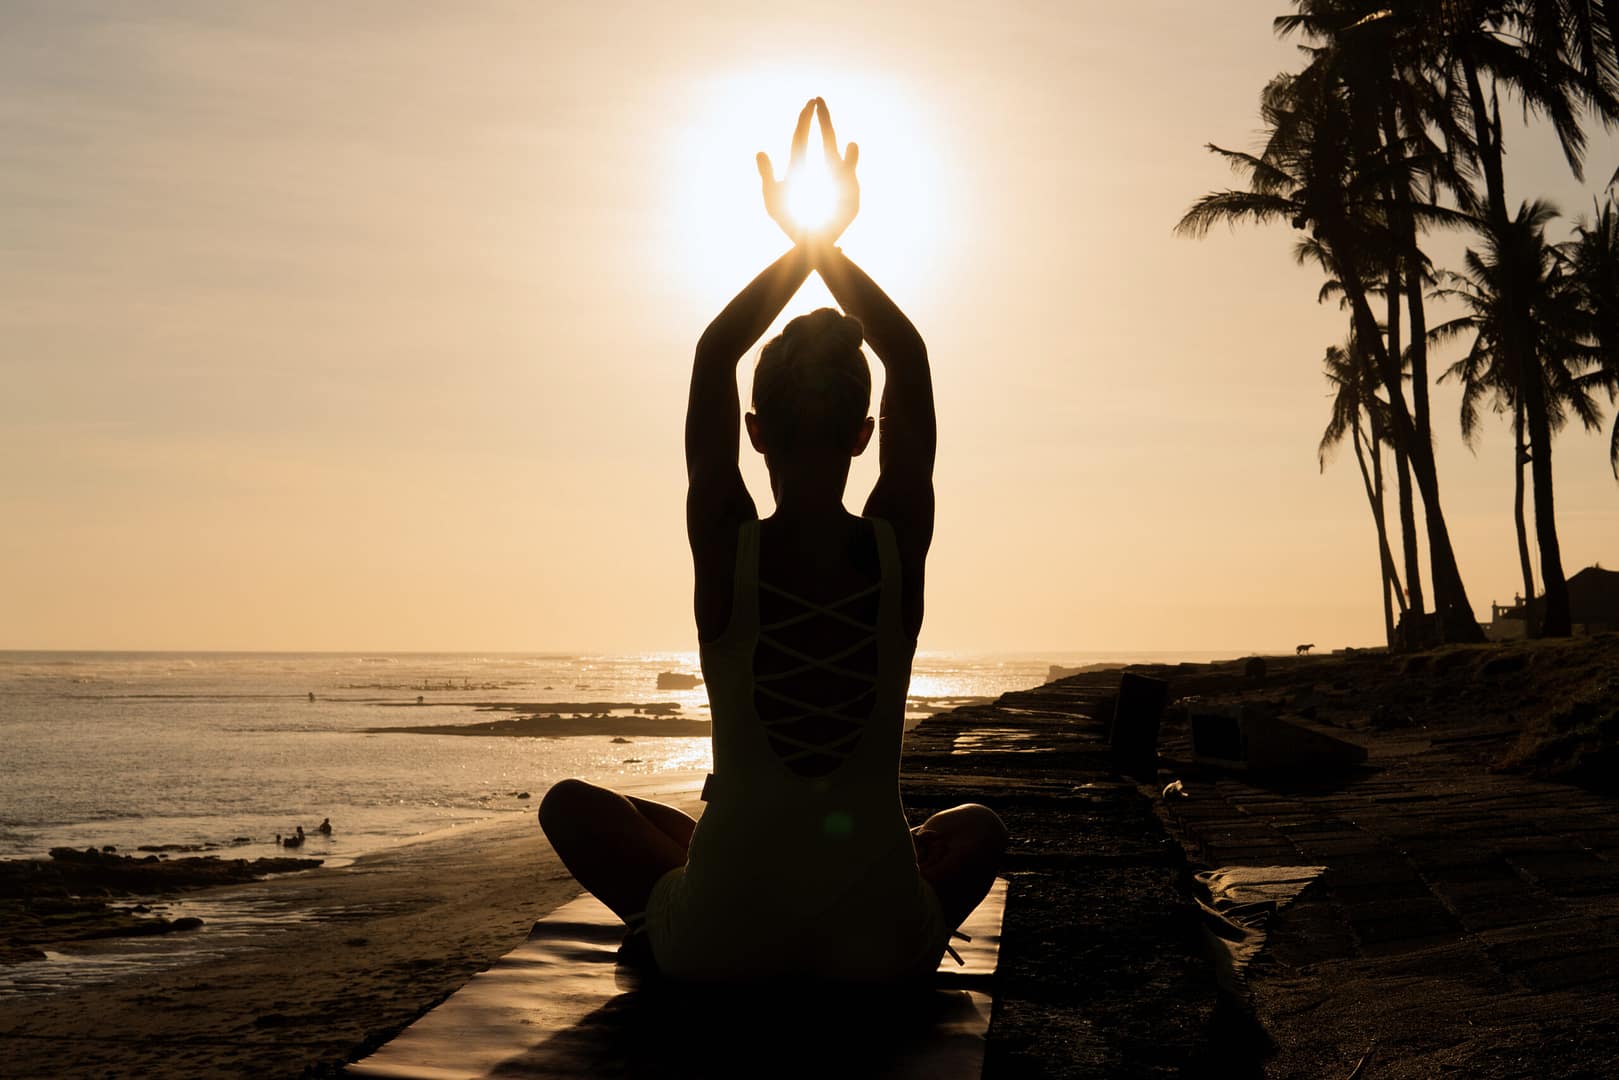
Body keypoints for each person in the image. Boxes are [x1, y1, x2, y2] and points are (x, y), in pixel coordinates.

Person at [539, 98, 1007, 982]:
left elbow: (715, 352)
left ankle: (700, 891)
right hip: (881, 945)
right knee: (978, 828)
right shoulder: (897, 545)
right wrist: (833, 241)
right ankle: (853, 881)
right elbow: (908, 356)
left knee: (574, 804)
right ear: (865, 434)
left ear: (754, 432)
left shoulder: (726, 545)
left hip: (719, 945)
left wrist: (794, 241)